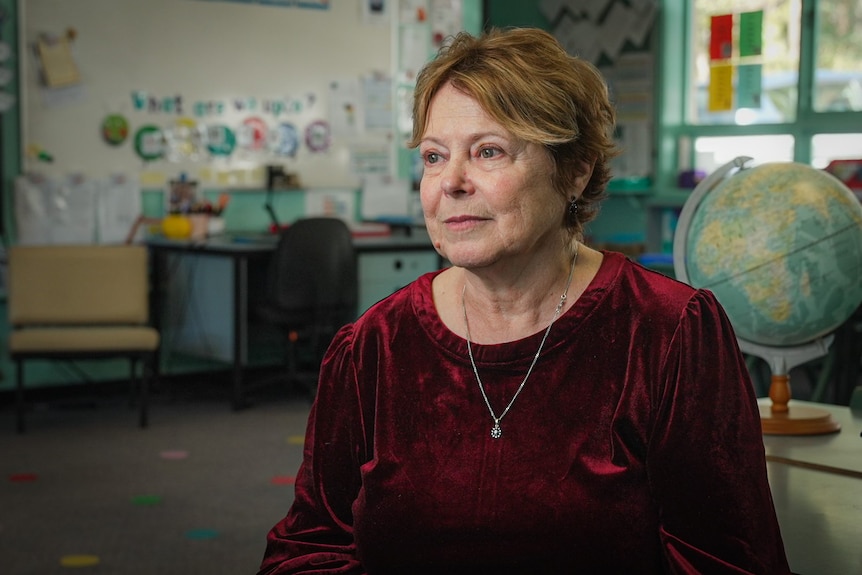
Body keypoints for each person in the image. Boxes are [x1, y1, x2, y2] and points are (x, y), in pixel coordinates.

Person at [259, 27, 790, 574]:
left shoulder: (668, 332)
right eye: (434, 157)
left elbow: (728, 561)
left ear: (574, 171)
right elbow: (308, 548)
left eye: (489, 151)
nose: (452, 182)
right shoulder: (373, 345)